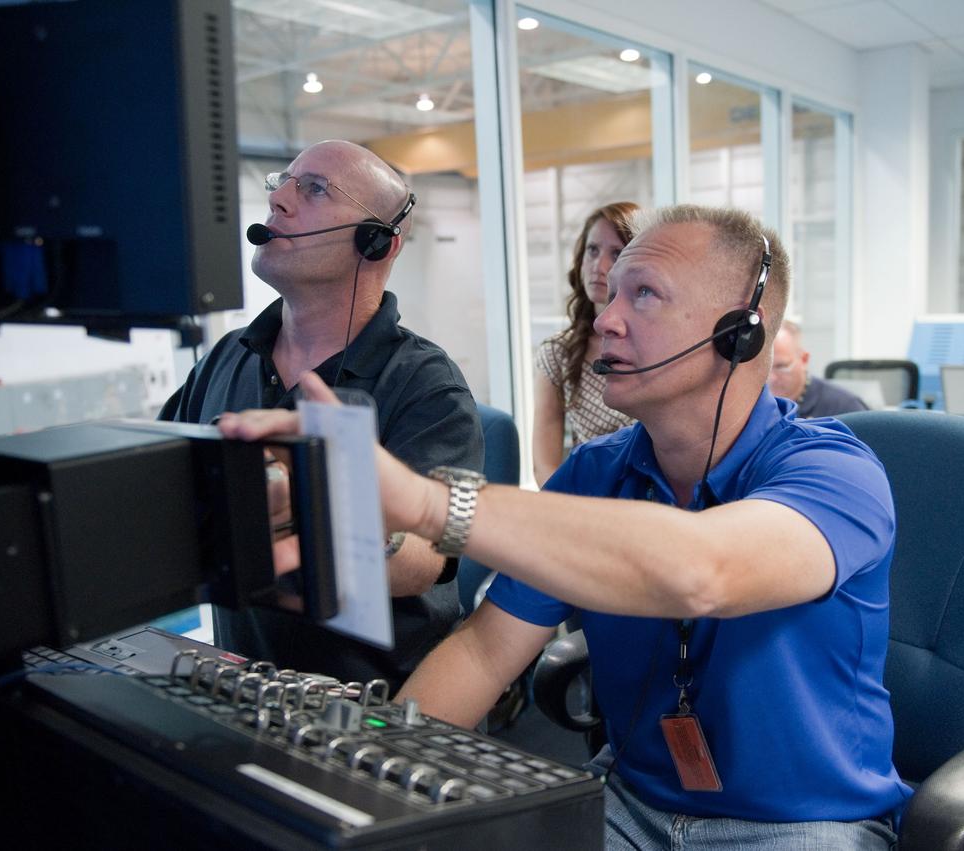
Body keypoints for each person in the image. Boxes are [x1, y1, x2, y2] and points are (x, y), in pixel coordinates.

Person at [221, 204, 910, 849]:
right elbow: (486, 651)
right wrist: (362, 767)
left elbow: (704, 571)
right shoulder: (593, 471)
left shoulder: (836, 472)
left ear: (740, 331)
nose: (606, 319)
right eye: (610, 295)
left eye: (643, 295)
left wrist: (426, 503)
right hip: (629, 801)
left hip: (806, 823)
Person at [162, 139, 483, 690]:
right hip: (248, 686)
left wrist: (305, 520)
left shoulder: (428, 384)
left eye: (313, 190)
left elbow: (429, 559)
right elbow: (165, 480)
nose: (279, 201)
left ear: (377, 243)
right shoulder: (227, 356)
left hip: (375, 704)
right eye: (281, 184)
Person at [533, 202, 639, 485]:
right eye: (592, 250)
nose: (599, 266)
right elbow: (545, 466)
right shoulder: (558, 353)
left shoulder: (661, 348)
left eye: (616, 253)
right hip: (586, 498)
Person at [768, 319, 869, 417]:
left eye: (781, 367)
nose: (771, 378)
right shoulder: (759, 405)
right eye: (767, 368)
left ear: (804, 360)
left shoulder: (845, 408)